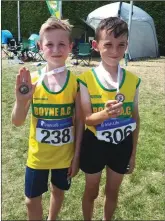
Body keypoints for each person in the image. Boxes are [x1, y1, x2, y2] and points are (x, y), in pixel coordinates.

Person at [11, 17, 83, 221]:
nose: (56, 49)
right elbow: (17, 121)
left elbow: (79, 122)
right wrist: (20, 100)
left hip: (64, 157)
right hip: (38, 157)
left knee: (57, 191)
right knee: (31, 200)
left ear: (70, 46)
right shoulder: (32, 80)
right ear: (40, 46)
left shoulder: (76, 83)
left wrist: (76, 157)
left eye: (62, 44)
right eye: (49, 44)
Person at [78, 17, 141, 220]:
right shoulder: (86, 79)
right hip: (94, 144)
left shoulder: (133, 81)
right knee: (92, 190)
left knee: (112, 192)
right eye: (108, 45)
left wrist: (132, 152)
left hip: (122, 144)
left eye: (121, 45)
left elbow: (135, 118)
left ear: (127, 45)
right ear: (96, 46)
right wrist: (105, 114)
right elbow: (86, 119)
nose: (115, 51)